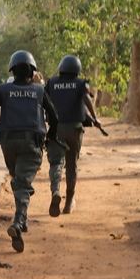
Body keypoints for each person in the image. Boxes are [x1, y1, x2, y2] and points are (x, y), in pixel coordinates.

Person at [0, 50, 57, 253]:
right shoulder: (39, 91)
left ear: (12, 71)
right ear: (32, 72)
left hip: (8, 143)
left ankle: (21, 220)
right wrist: (51, 135)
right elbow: (54, 116)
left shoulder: (3, 89)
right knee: (23, 184)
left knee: (18, 180)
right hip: (31, 143)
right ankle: (18, 222)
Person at [45, 55, 101, 216]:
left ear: (61, 68)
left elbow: (43, 101)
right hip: (74, 129)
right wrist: (95, 118)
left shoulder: (52, 83)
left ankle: (55, 191)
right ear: (77, 69)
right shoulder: (80, 83)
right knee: (71, 165)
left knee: (56, 163)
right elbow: (87, 99)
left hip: (56, 129)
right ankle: (69, 202)